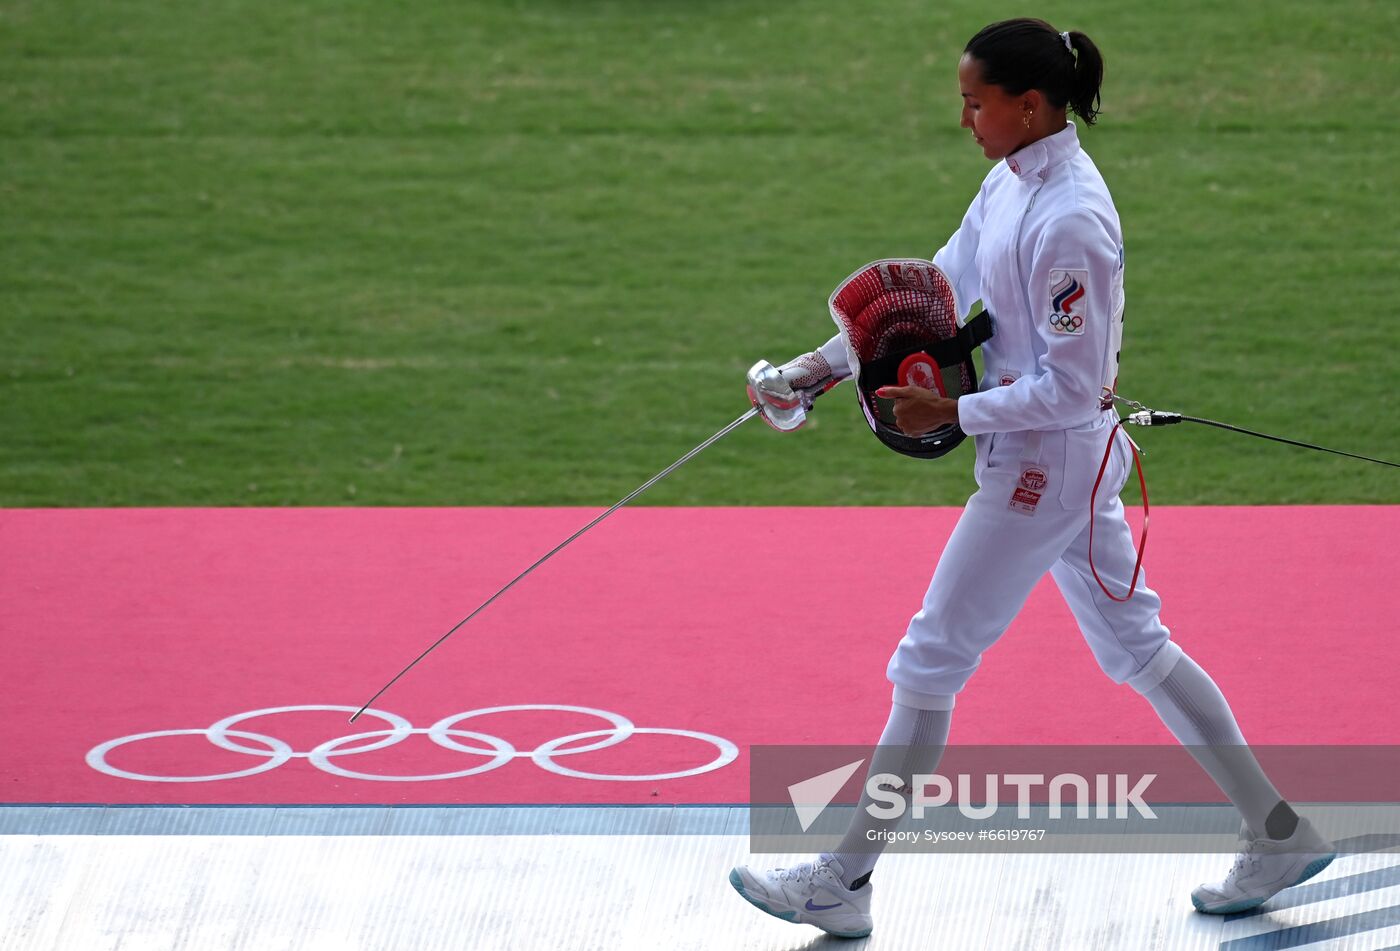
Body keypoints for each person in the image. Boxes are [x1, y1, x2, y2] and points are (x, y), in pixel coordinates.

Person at [728, 18, 1334, 940]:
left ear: (1030, 104)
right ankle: (1278, 828)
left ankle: (843, 879)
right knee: (1136, 647)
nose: (966, 118)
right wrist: (815, 370)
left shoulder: (1071, 222)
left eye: (977, 102)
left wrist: (951, 414)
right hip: (1061, 461)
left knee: (931, 660)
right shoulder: (1009, 182)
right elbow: (927, 290)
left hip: (1042, 468)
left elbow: (1072, 386)